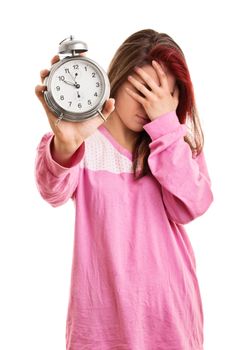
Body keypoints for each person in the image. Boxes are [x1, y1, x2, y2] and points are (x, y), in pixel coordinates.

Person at [35, 29, 213, 350]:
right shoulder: (85, 142)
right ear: (116, 77)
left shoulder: (176, 141)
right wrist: (65, 143)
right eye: (143, 89)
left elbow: (193, 205)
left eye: (165, 95)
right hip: (101, 325)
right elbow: (53, 190)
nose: (151, 103)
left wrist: (166, 129)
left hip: (169, 318)